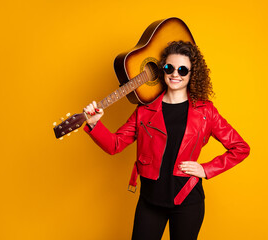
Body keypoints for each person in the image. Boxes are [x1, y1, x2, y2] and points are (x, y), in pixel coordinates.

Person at [83, 41, 250, 240]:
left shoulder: (206, 112)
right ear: (162, 70)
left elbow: (240, 148)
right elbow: (114, 145)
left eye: (182, 70)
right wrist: (94, 124)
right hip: (150, 201)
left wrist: (206, 169)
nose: (175, 74)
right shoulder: (144, 110)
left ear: (192, 74)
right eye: (169, 68)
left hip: (188, 201)